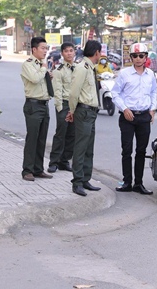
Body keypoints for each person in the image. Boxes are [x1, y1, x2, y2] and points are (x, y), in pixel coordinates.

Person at [111, 43, 157, 195]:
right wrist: (124, 109)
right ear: (131, 58)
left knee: (141, 151)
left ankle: (139, 183)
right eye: (135, 56)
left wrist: (152, 109)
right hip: (127, 117)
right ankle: (127, 182)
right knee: (127, 150)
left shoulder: (150, 74)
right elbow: (115, 93)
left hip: (144, 116)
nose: (138, 59)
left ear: (146, 57)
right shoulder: (124, 74)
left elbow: (153, 92)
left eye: (141, 56)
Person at [66, 40, 102, 196]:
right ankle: (77, 182)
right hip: (83, 111)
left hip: (91, 112)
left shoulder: (91, 68)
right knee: (81, 147)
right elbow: (74, 93)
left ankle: (86, 178)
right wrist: (72, 111)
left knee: (89, 148)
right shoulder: (82, 68)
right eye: (100, 52)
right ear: (97, 53)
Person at [20, 37, 53, 182]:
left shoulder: (41, 65)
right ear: (34, 49)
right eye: (43, 48)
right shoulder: (29, 64)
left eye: (46, 48)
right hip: (33, 105)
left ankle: (38, 169)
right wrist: (44, 69)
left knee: (42, 139)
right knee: (32, 138)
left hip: (44, 104)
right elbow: (34, 79)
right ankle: (27, 170)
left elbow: (42, 82)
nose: (45, 51)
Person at [47, 43, 76, 173]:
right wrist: (59, 108)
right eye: (66, 51)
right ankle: (53, 162)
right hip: (64, 104)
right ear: (62, 54)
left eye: (71, 51)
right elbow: (57, 91)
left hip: (76, 105)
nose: (69, 53)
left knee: (72, 134)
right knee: (61, 133)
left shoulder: (79, 69)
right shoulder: (58, 71)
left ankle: (65, 161)